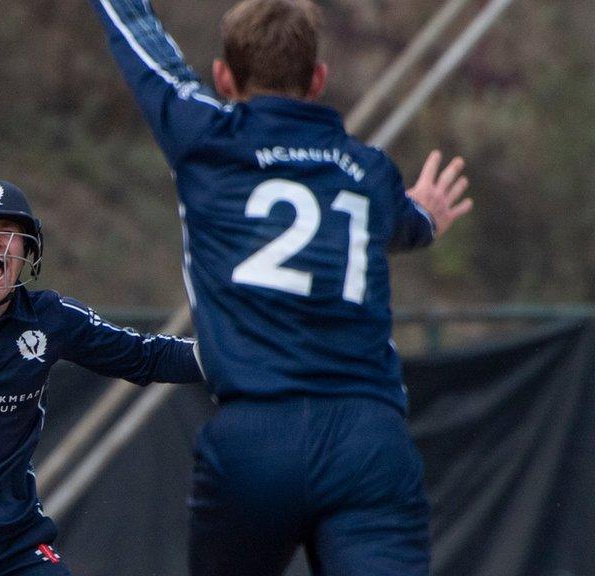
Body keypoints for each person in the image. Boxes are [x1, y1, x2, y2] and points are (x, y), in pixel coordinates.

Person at [87, 1, 473, 575]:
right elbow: (407, 224)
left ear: (223, 77)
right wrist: (426, 217)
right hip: (368, 440)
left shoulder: (206, 138)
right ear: (318, 79)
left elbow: (142, 42)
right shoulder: (367, 172)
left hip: (256, 438)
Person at [0, 177, 205, 576]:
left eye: (8, 234)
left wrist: (227, 357)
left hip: (15, 539)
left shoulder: (49, 317)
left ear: (28, 250)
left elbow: (144, 356)